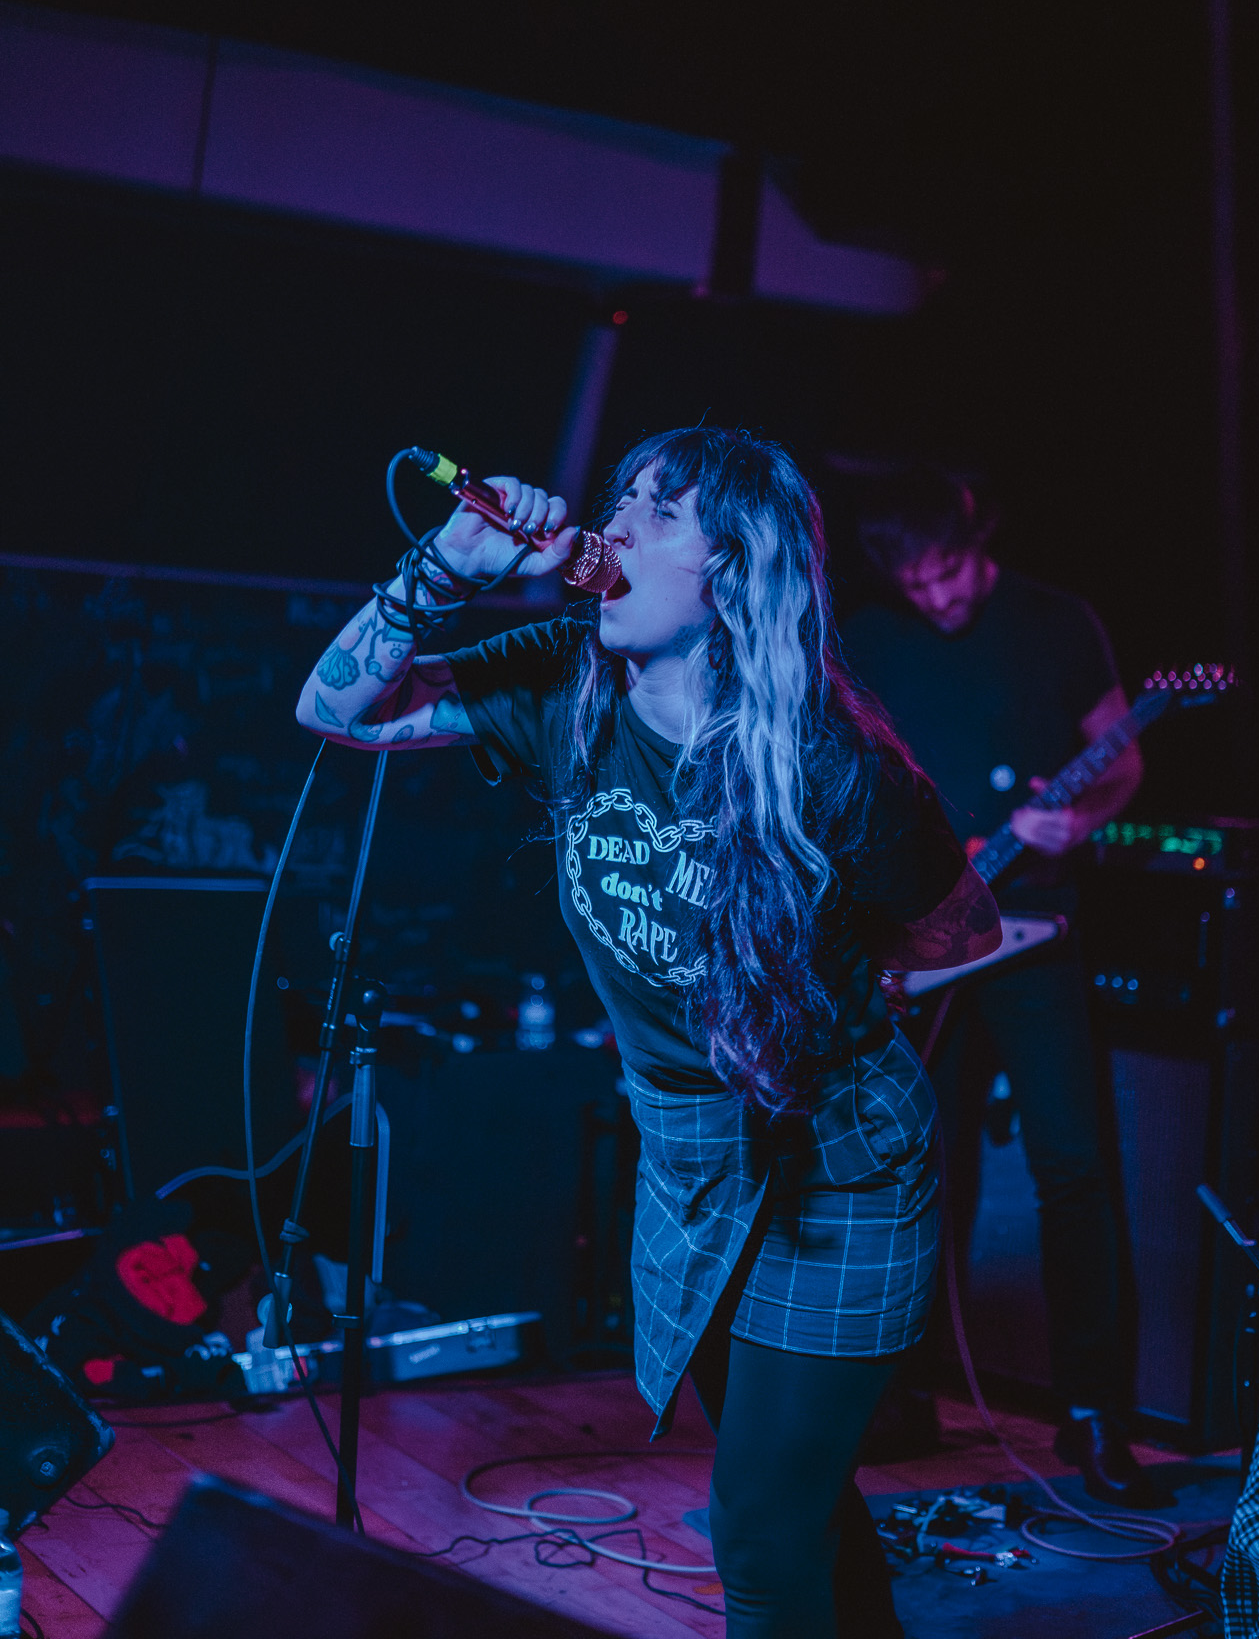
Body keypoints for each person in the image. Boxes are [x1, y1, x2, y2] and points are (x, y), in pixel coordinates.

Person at [298, 428, 1000, 1638]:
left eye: (658, 510)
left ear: (733, 568)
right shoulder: (563, 685)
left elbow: (961, 929)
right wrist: (445, 565)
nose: (613, 524)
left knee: (760, 1535)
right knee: (799, 1500)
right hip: (689, 1151)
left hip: (840, 1161)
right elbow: (336, 708)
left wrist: (826, 978)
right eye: (618, 498)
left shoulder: (835, 765)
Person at [841, 464, 1156, 1505]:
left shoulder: (1058, 623)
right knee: (920, 1172)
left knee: (1074, 1167)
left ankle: (1095, 1412)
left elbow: (1118, 758)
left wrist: (1080, 818)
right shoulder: (870, 639)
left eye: (947, 572)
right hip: (924, 943)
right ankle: (904, 1395)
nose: (935, 596)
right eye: (914, 582)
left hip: (1036, 935)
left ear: (978, 539)